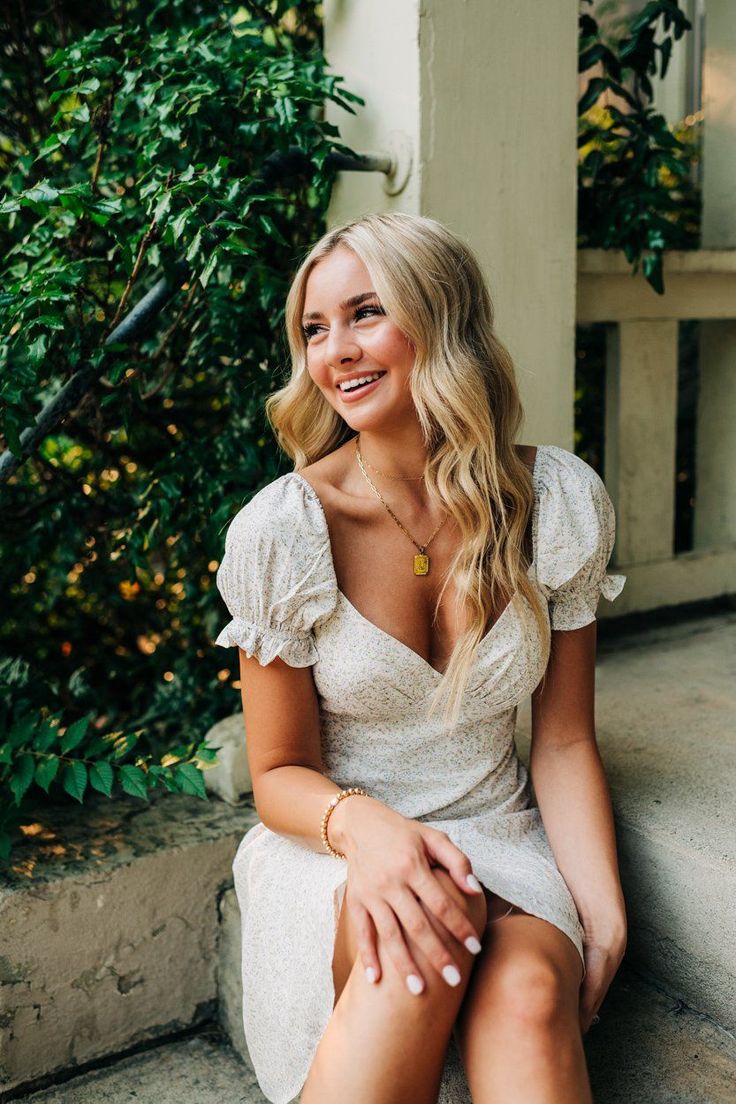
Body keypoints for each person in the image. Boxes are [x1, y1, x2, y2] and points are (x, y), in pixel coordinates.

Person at [214, 211, 628, 1104]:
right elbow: (278, 771)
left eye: (365, 313)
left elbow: (560, 744)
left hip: (497, 832)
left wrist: (604, 909)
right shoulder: (285, 532)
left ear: (440, 319)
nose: (335, 352)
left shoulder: (556, 502)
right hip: (332, 840)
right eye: (314, 329)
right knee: (426, 942)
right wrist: (371, 830)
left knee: (528, 993)